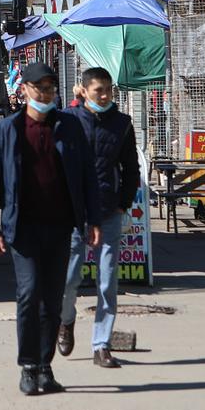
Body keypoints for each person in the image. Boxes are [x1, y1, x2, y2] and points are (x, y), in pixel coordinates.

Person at [0, 61, 104, 396]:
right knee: (28, 293)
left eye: (51, 89)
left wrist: (92, 219)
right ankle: (27, 365)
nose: (46, 94)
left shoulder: (69, 127)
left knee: (51, 300)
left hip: (60, 227)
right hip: (23, 229)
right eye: (40, 89)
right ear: (24, 90)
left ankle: (44, 366)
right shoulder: (9, 130)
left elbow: (87, 177)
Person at [58, 67, 141, 369]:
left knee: (107, 281)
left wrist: (123, 204)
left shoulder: (122, 124)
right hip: (73, 214)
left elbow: (131, 169)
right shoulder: (68, 121)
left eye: (109, 90)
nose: (105, 96)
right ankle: (65, 321)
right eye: (98, 91)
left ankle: (101, 344)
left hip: (107, 212)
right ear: (83, 91)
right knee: (69, 279)